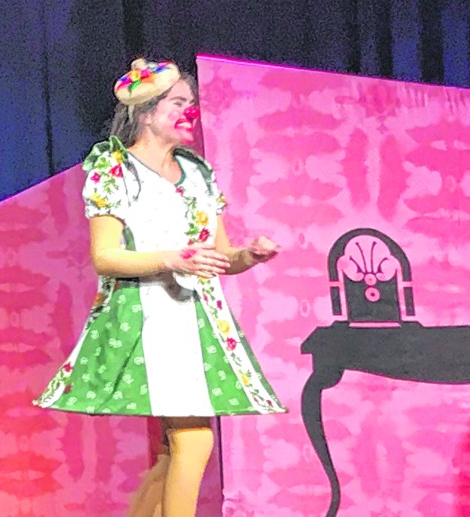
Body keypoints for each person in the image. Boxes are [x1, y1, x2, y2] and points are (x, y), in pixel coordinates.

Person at [34, 58, 286, 517]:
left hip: (198, 319)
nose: (190, 111)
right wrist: (171, 258)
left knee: (175, 448)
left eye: (191, 102)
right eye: (178, 102)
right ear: (147, 112)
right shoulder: (114, 169)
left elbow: (221, 257)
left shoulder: (198, 173)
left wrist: (249, 255)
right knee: (194, 439)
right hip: (148, 315)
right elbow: (105, 257)